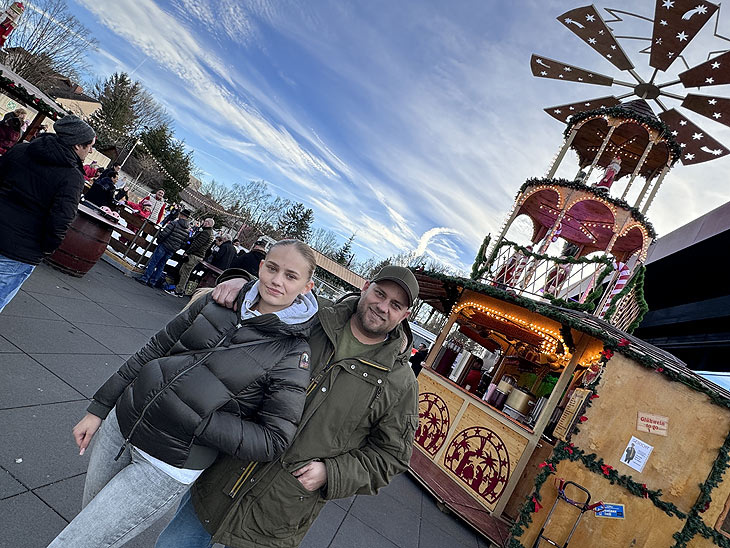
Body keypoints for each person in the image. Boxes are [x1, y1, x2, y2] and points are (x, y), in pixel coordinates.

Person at [47, 240, 320, 548]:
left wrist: (199, 422)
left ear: (306, 287)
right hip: (121, 426)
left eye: (290, 276)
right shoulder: (217, 302)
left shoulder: (292, 353)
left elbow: (274, 439)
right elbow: (154, 349)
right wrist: (99, 407)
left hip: (166, 465)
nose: (277, 280)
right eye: (272, 268)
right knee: (87, 529)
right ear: (260, 266)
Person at [154, 265, 420, 548]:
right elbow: (265, 298)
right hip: (224, 471)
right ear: (366, 286)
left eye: (395, 304)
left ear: (405, 315)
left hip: (280, 509)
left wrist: (333, 473)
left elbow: (392, 456)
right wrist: (241, 282)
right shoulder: (312, 316)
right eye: (380, 293)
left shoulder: (399, 383)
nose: (382, 307)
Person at [0, 115, 95, 312]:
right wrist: (46, 248)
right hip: (21, 249)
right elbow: (61, 219)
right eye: (89, 146)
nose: (91, 151)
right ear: (77, 145)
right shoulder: (72, 176)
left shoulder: (22, 149)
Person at [138, 209, 191, 287]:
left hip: (164, 245)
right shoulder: (187, 231)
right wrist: (176, 248)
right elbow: (184, 243)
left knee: (154, 262)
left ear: (181, 215)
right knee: (161, 265)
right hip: (172, 250)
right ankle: (153, 281)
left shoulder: (174, 223)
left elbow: (164, 234)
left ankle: (145, 278)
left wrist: (159, 240)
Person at [172, 217, 215, 297]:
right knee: (183, 271)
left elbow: (197, 244)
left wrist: (188, 252)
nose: (203, 223)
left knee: (185, 272)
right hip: (198, 255)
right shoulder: (209, 232)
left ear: (208, 223)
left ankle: (179, 290)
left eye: (205, 221)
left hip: (195, 254)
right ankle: (180, 288)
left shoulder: (206, 233)